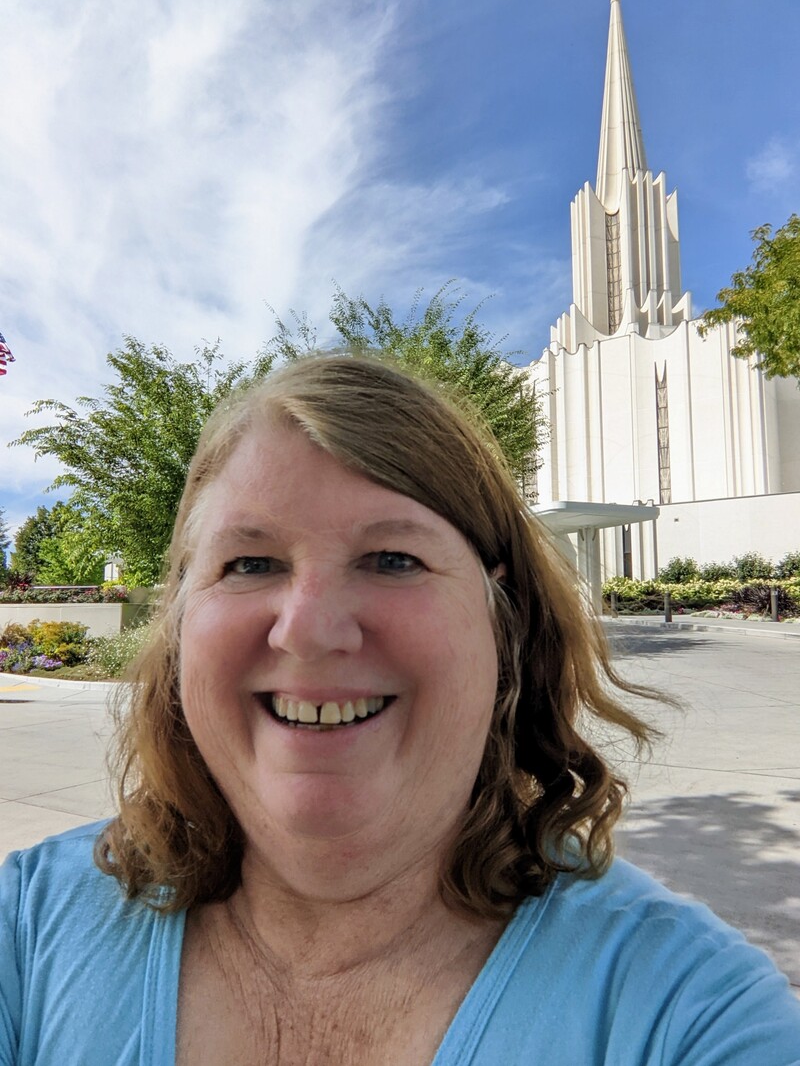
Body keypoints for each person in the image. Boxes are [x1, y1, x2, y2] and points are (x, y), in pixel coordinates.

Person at [1, 354, 799, 1065]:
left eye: (393, 558)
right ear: (178, 621)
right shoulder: (27, 933)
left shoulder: (685, 1016)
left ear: (505, 619)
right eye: (249, 562)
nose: (309, 629)